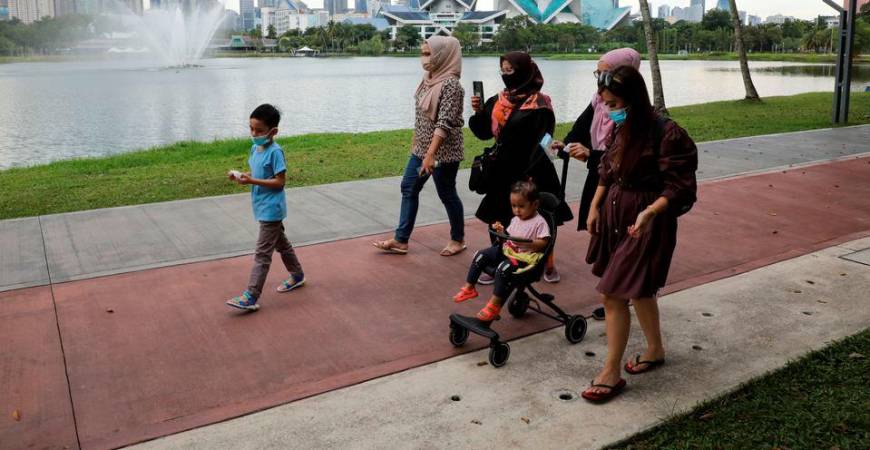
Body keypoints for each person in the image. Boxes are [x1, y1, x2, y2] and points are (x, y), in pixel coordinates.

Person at [580, 66, 698, 403]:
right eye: (605, 102)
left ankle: (610, 372)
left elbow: (680, 186)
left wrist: (650, 212)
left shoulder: (667, 132)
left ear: (634, 98)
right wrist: (594, 206)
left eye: (615, 102)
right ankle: (655, 349)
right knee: (640, 290)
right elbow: (607, 169)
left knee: (613, 294)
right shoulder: (622, 127)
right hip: (616, 215)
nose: (609, 108)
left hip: (645, 221)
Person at [551, 48, 642, 321]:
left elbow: (627, 154)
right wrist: (565, 145)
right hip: (600, 179)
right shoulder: (598, 100)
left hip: (625, 185)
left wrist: (592, 155)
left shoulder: (633, 111)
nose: (600, 77)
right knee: (603, 235)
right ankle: (615, 295)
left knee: (619, 240)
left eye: (606, 71)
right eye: (598, 71)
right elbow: (580, 128)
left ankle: (618, 297)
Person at [468, 51, 572, 285]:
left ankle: (547, 261)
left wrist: (530, 177)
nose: (506, 76)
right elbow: (483, 133)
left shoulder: (540, 104)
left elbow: (544, 140)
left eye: (510, 70)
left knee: (541, 218)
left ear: (524, 71)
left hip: (533, 170)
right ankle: (499, 261)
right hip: (501, 170)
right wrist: (478, 113)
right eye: (502, 71)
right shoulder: (498, 100)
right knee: (499, 217)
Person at [373, 36, 466, 257]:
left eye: (428, 54)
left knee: (446, 193)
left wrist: (430, 155)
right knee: (409, 187)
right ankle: (401, 240)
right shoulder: (428, 79)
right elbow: (421, 115)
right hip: (422, 149)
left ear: (443, 56)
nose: (424, 59)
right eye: (422, 53)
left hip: (442, 153)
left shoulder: (452, 85)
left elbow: (444, 123)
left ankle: (458, 239)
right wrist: (417, 142)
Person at [226, 104, 305, 311]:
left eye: (259, 130)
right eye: (251, 128)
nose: (254, 133)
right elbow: (256, 174)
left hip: (272, 209)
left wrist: (252, 181)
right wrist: (243, 176)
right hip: (261, 206)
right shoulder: (255, 148)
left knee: (262, 254)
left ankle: (251, 295)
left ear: (273, 132)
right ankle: (297, 275)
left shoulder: (276, 152)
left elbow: (280, 182)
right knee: (282, 245)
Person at [453, 181, 550, 322]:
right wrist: (501, 232)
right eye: (514, 206)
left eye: (521, 206)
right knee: (480, 255)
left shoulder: (539, 222)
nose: (517, 210)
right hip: (509, 251)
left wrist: (527, 243)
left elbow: (543, 243)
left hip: (524, 259)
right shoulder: (516, 219)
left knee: (503, 268)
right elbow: (508, 239)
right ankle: (469, 287)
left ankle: (494, 305)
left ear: (535, 205)